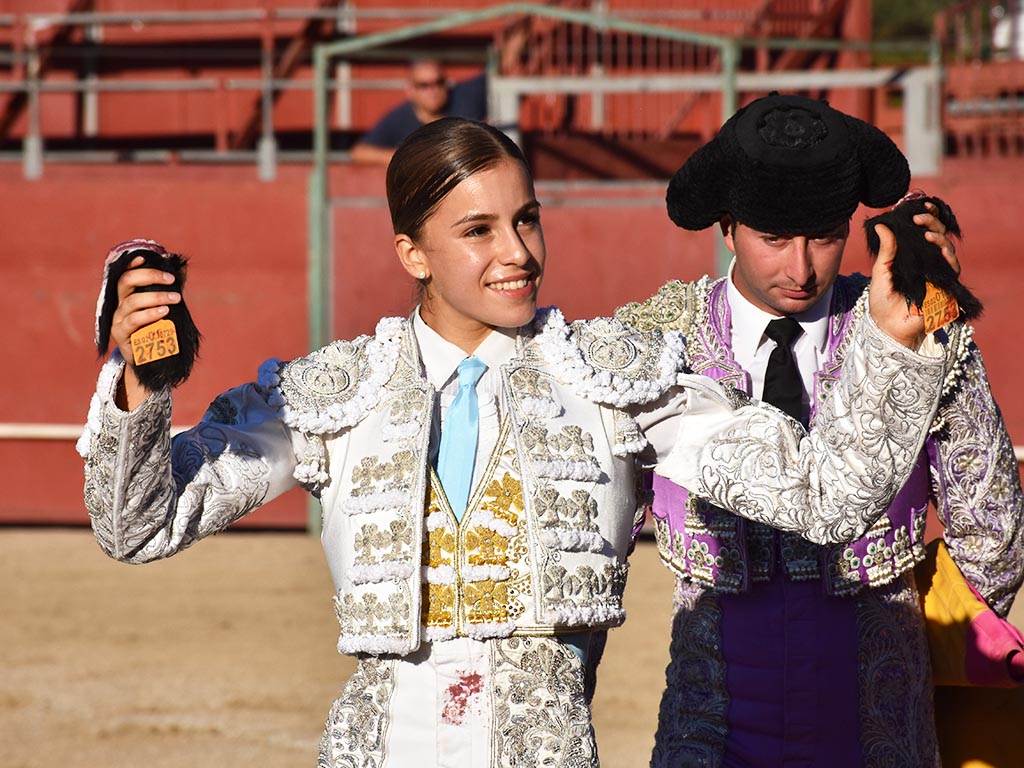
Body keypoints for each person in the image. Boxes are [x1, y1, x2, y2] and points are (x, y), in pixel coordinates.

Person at [80, 117, 954, 767]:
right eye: (478, 230)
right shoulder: (333, 395)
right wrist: (140, 383)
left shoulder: (617, 379)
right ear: (411, 253)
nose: (518, 252)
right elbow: (139, 526)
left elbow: (826, 496)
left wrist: (891, 342)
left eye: (526, 219)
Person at [615, 93, 1024, 767]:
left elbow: (995, 543)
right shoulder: (660, 346)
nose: (800, 268)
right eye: (774, 240)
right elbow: (995, 542)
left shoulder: (658, 344)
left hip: (842, 726)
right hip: (848, 723)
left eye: (825, 236)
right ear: (726, 226)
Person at [349, 59, 489, 165]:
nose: (433, 90)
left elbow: (501, 70)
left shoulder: (465, 96)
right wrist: (412, 158)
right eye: (424, 85)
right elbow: (359, 152)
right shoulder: (399, 118)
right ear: (410, 91)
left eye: (439, 82)